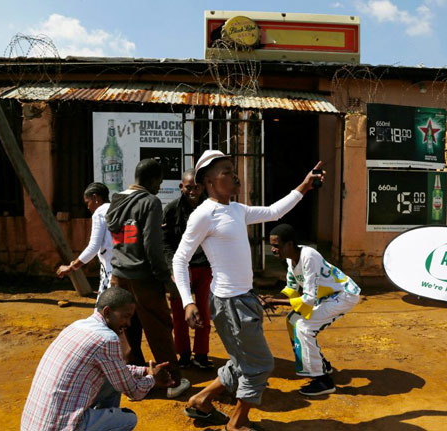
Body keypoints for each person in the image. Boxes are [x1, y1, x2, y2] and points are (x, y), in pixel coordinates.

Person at [172, 150, 324, 431]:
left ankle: (201, 400)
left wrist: (304, 185)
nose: (234, 175)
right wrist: (186, 301)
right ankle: (237, 424)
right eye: (226, 172)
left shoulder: (237, 210)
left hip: (243, 298)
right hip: (231, 304)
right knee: (261, 365)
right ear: (209, 181)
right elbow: (180, 259)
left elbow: (274, 211)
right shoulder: (204, 214)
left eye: (233, 170)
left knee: (243, 361)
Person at [21, 287, 174, 431]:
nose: (127, 323)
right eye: (125, 316)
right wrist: (152, 379)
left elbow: (117, 370)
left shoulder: (78, 326)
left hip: (33, 425)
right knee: (128, 419)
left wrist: (145, 370)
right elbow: (133, 392)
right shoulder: (107, 339)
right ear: (107, 311)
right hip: (62, 427)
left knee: (112, 381)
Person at [105, 158, 190, 399]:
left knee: (126, 327)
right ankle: (171, 380)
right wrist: (165, 279)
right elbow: (152, 246)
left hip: (118, 276)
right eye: (159, 182)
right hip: (143, 277)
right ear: (152, 180)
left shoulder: (116, 200)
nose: (159, 187)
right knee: (159, 328)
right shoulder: (150, 202)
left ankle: (135, 379)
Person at [264, 223, 361, 396]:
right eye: (271, 245)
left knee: (304, 327)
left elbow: (308, 298)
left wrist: (275, 301)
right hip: (327, 297)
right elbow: (292, 288)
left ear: (289, 244)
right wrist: (271, 299)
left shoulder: (309, 256)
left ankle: (322, 380)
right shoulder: (290, 259)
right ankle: (321, 365)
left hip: (343, 295)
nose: (272, 249)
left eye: (276, 246)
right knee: (292, 320)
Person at [163, 168, 213, 369]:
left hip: (205, 267)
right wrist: (172, 268)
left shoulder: (211, 208)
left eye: (197, 187)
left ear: (203, 187)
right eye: (189, 187)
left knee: (204, 312)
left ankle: (201, 355)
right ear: (181, 187)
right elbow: (165, 242)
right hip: (180, 268)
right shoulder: (172, 209)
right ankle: (183, 355)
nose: (193, 191)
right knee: (179, 314)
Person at [56, 182, 113, 297]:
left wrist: (71, 267)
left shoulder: (100, 213)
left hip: (111, 270)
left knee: (105, 309)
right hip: (125, 269)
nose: (88, 207)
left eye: (88, 202)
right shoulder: (116, 209)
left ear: (95, 198)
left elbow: (93, 247)